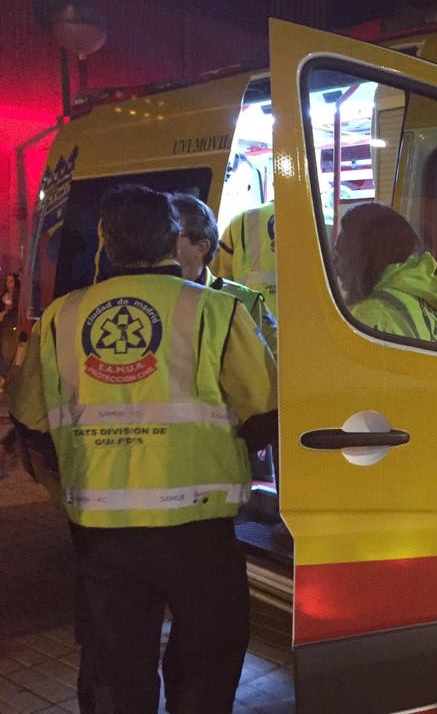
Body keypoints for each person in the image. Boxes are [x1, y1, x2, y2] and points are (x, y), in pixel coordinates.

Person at [8, 184, 277, 714]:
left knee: (114, 666)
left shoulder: (62, 317)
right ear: (173, 239)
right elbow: (264, 412)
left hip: (101, 531)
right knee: (207, 659)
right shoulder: (216, 312)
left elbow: (31, 422)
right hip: (199, 527)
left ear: (105, 243)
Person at [172, 193, 277, 355]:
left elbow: (277, 366)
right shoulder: (150, 296)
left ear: (201, 248)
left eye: (174, 233)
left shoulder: (246, 303)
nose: (162, 240)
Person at [333, 202, 437, 344]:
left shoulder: (364, 320)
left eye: (341, 252)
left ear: (364, 258)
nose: (334, 261)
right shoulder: (436, 313)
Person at [214, 200, 277, 316]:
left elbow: (220, 284)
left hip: (252, 324)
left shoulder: (241, 221)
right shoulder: (315, 222)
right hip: (307, 325)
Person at [0, 271, 20, 382]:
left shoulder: (19, 299)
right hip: (4, 329)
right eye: (7, 281)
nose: (8, 283)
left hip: (11, 329)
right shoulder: (3, 298)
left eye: (11, 281)